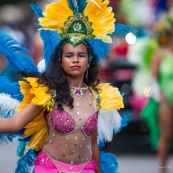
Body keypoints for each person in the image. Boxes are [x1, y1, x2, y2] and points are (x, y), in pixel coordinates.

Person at [0, 0, 136, 172]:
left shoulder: (98, 96)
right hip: (49, 168)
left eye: (81, 55)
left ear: (89, 62)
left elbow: (93, 143)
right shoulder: (49, 93)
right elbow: (15, 122)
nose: (75, 59)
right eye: (69, 55)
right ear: (61, 61)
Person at [142, 11, 173, 173]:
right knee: (166, 136)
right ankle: (163, 169)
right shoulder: (160, 54)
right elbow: (153, 79)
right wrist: (160, 97)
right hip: (167, 100)